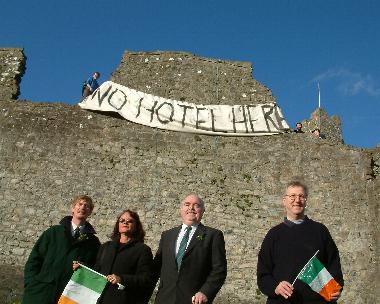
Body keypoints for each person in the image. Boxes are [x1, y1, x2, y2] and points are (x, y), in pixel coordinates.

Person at [257, 181, 344, 303]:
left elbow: (333, 263)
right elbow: (263, 273)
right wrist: (275, 287)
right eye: (292, 196)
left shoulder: (320, 231)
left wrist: (336, 288)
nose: (297, 200)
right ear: (284, 201)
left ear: (306, 200)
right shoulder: (273, 235)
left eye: (301, 196)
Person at [22, 195, 100, 304]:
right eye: (80, 204)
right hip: (41, 293)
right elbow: (34, 260)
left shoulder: (93, 242)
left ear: (90, 212)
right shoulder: (53, 232)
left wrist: (84, 267)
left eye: (87, 206)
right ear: (73, 209)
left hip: (68, 297)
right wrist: (31, 284)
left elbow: (94, 270)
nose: (83, 207)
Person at [153, 194, 227, 304]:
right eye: (187, 204)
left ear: (202, 210)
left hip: (194, 300)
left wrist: (205, 292)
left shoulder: (213, 235)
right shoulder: (167, 235)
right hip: (164, 299)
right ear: (181, 209)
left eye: (196, 205)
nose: (191, 208)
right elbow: (156, 268)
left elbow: (219, 270)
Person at [89, 209, 154, 304]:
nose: (125, 223)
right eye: (122, 220)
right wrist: (81, 267)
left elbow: (145, 279)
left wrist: (122, 279)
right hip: (99, 299)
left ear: (136, 226)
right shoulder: (106, 247)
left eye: (130, 221)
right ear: (118, 225)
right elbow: (96, 270)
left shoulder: (142, 250)